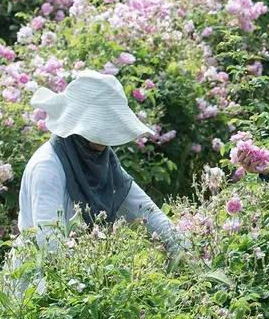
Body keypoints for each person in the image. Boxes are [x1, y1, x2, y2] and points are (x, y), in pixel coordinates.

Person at [17, 71, 186, 256]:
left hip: (79, 274)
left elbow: (145, 211)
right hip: (38, 279)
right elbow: (48, 244)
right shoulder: (48, 167)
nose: (109, 139)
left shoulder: (103, 162)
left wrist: (185, 249)